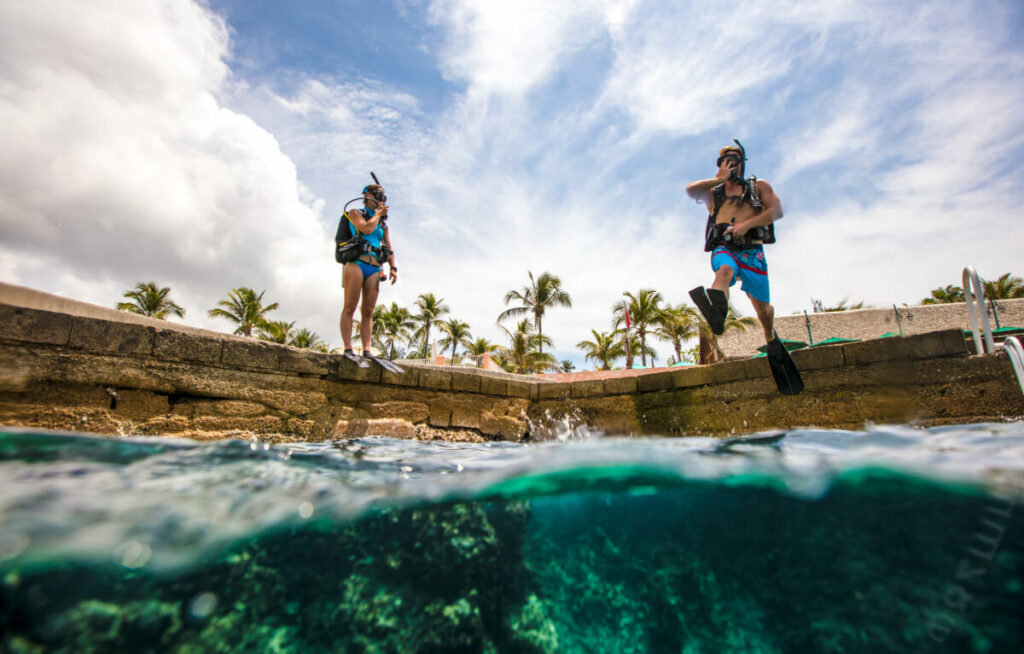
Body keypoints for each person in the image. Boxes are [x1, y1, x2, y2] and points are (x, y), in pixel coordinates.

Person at [685, 141, 803, 394]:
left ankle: (770, 337)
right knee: (723, 272)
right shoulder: (714, 192)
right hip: (724, 249)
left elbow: (777, 211)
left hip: (752, 252)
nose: (731, 164)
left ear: (743, 162)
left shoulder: (759, 187)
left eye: (735, 160)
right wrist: (719, 179)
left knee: (763, 309)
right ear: (720, 165)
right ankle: (718, 314)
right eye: (726, 160)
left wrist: (745, 226)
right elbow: (690, 190)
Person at [339, 184, 397, 359]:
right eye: (378, 195)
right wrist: (378, 214)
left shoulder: (382, 224)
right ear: (368, 195)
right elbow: (365, 228)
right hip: (356, 263)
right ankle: (348, 348)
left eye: (382, 197)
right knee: (350, 306)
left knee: (368, 311)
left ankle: (366, 349)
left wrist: (393, 267)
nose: (380, 199)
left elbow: (388, 246)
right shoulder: (355, 213)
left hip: (373, 267)